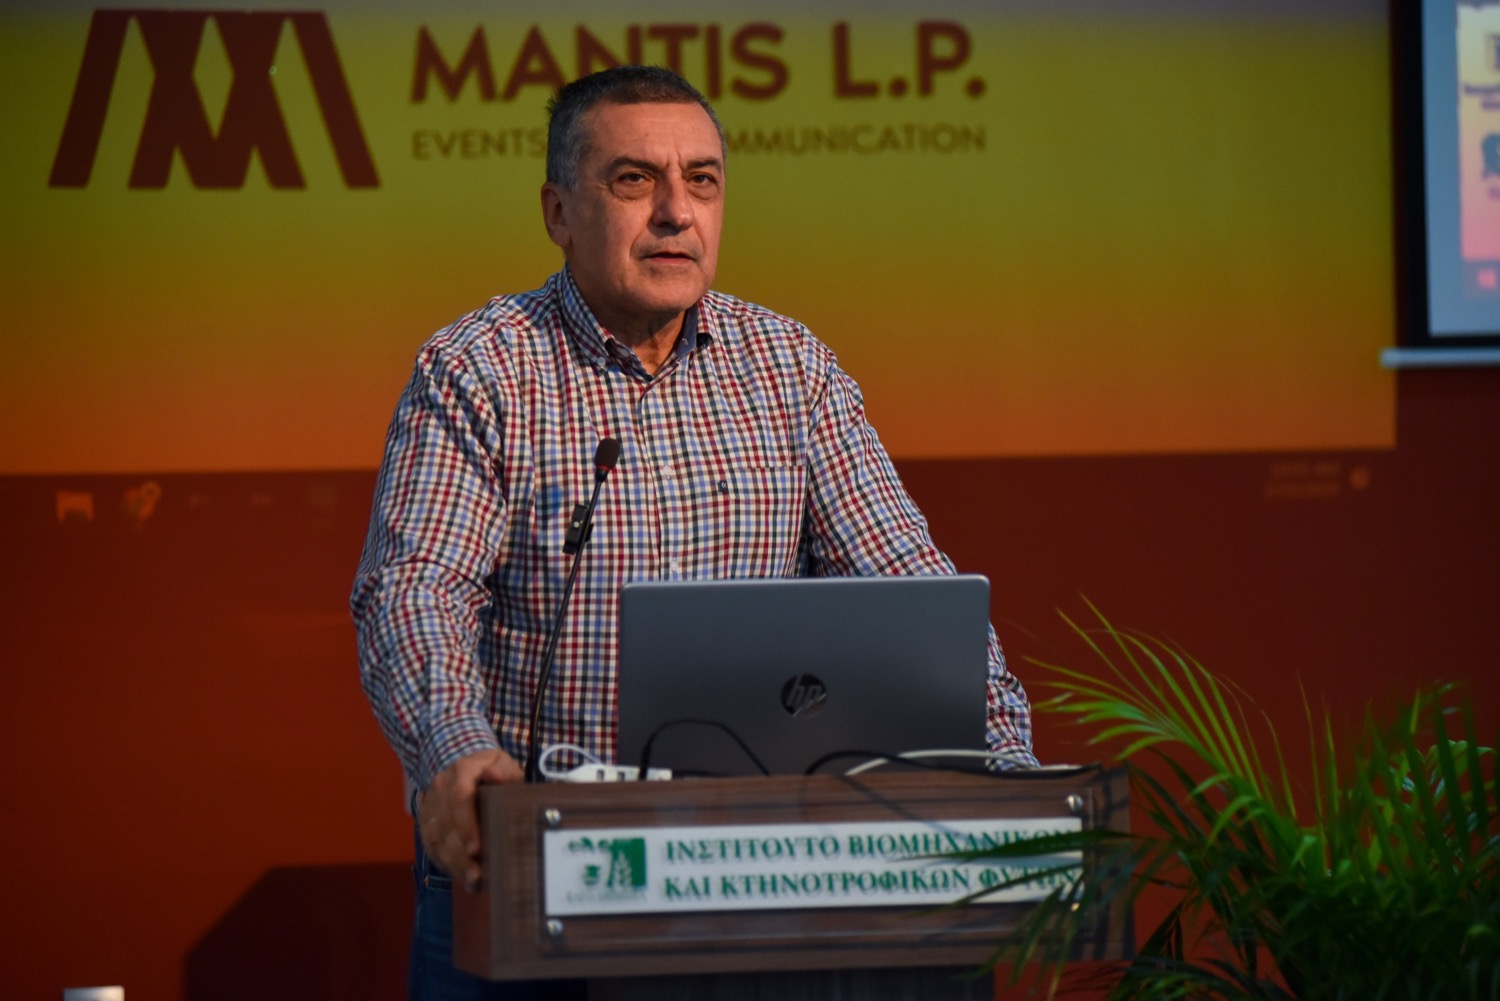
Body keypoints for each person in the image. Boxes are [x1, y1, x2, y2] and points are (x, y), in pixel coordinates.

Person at [351, 65, 1038, 1000]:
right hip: (533, 874)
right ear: (558, 212)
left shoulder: (789, 369)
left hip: (749, 880)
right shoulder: (480, 369)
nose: (676, 211)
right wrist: (455, 745)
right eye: (634, 179)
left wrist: (1007, 771)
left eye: (702, 181)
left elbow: (909, 585)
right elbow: (414, 589)